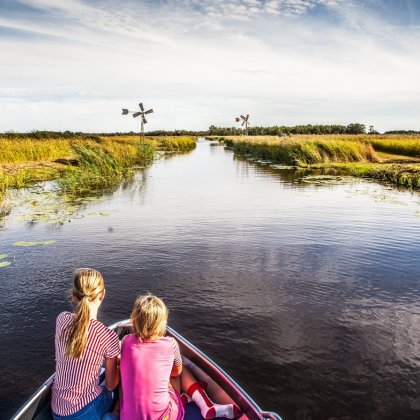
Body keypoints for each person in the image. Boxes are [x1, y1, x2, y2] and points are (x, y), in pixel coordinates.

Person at [120, 294, 241, 420]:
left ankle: (188, 398)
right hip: (165, 417)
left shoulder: (126, 341)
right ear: (162, 322)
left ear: (135, 319)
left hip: (128, 417)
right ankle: (204, 404)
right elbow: (177, 372)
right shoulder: (170, 344)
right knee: (181, 370)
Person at [51, 268, 120, 420]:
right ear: (102, 294)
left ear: (73, 296)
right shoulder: (107, 335)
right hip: (84, 413)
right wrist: (120, 368)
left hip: (56, 410)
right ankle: (114, 414)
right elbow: (110, 385)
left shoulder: (61, 319)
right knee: (116, 390)